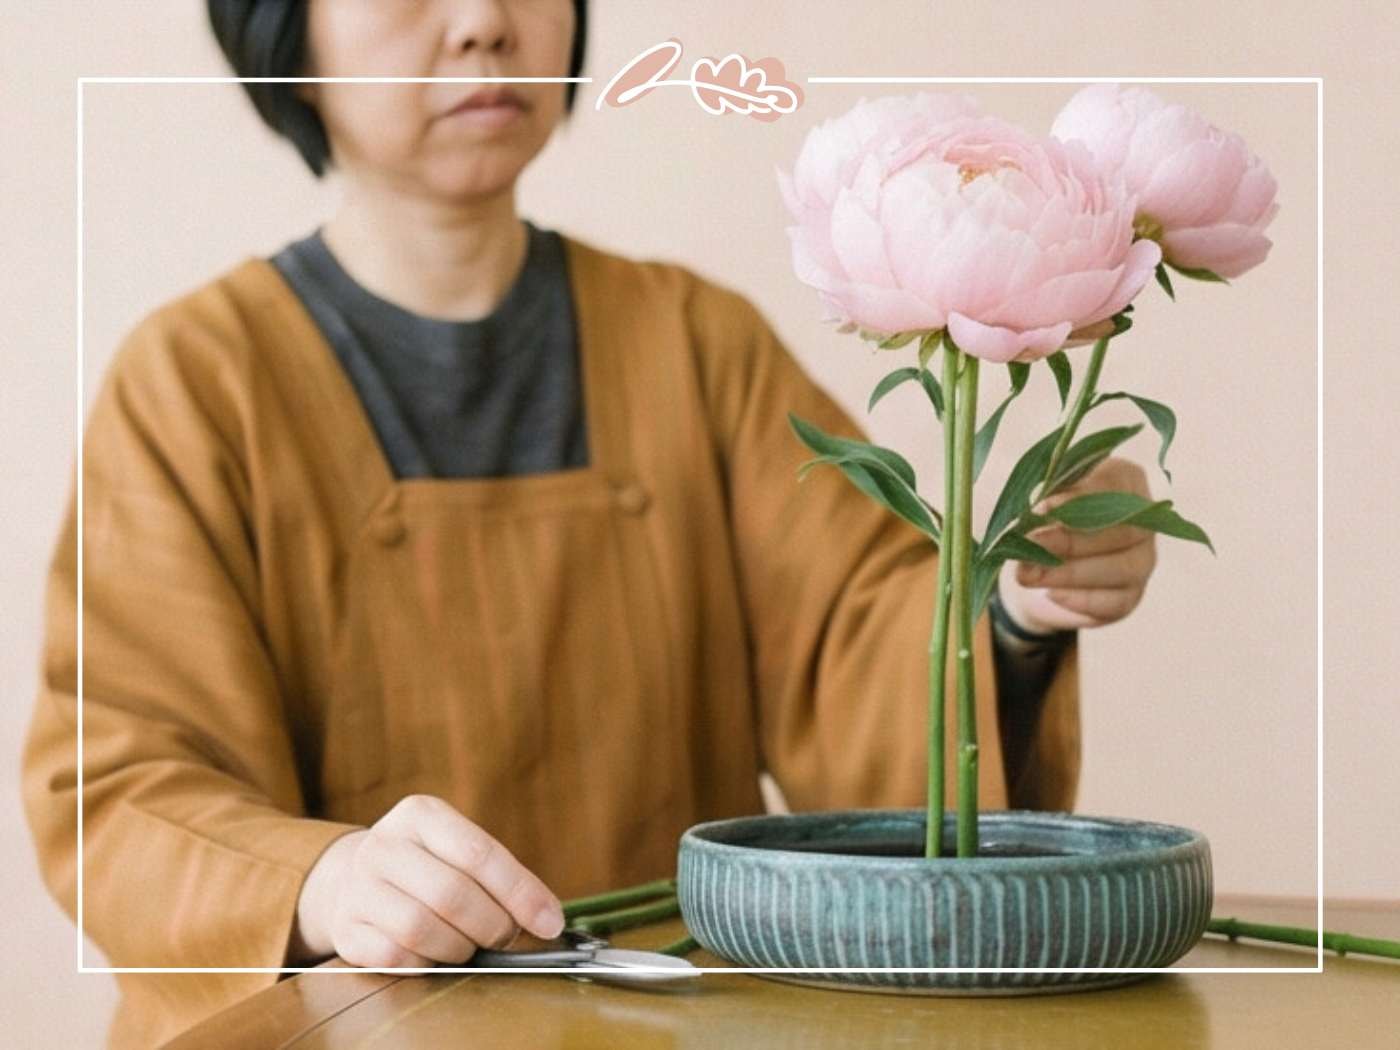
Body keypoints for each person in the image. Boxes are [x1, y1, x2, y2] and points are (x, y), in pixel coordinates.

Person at [20, 2, 1157, 1046]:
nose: (483, 23)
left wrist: (1014, 602)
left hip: (667, 1020)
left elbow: (860, 631)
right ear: (284, 39)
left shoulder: (693, 341)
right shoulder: (194, 382)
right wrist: (317, 882)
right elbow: (123, 786)